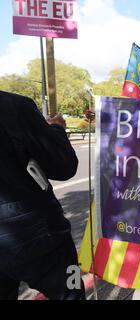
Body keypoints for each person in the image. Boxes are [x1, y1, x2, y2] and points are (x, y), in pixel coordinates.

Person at [0, 91, 85, 300]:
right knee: (71, 291)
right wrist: (57, 129)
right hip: (41, 238)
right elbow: (64, 165)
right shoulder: (14, 107)